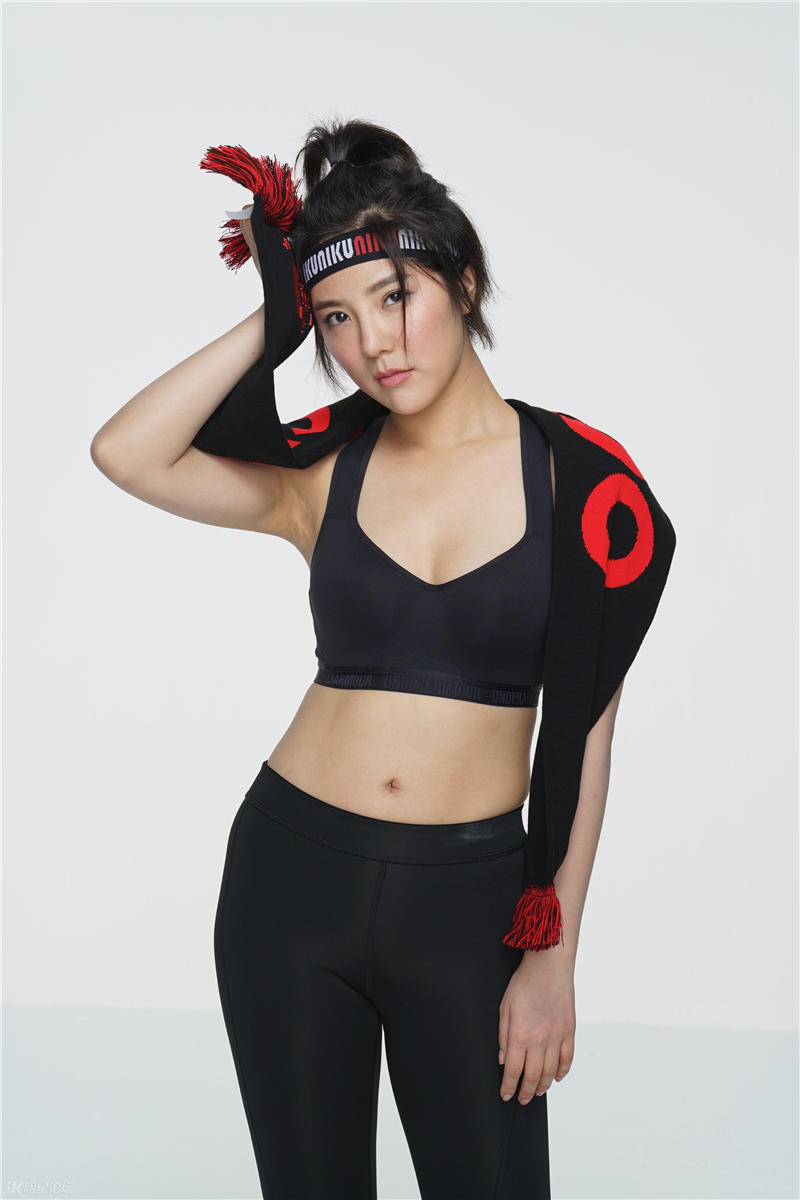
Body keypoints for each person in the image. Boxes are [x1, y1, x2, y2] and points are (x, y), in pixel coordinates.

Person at [90, 118, 672, 1200]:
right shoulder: (323, 471)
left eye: (395, 296)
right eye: (336, 319)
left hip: (472, 908)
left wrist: (552, 958)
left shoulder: (584, 487)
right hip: (288, 883)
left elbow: (588, 732)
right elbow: (126, 453)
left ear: (463, 280)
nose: (373, 343)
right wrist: (269, 319)